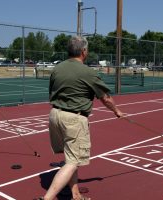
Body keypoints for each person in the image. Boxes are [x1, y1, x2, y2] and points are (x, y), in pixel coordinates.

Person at [37, 36, 124, 200]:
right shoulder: (88, 72)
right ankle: (46, 198)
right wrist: (117, 111)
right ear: (84, 51)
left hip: (55, 115)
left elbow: (51, 92)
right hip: (74, 119)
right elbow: (105, 98)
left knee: (71, 158)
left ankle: (75, 195)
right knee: (73, 161)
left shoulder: (57, 68)